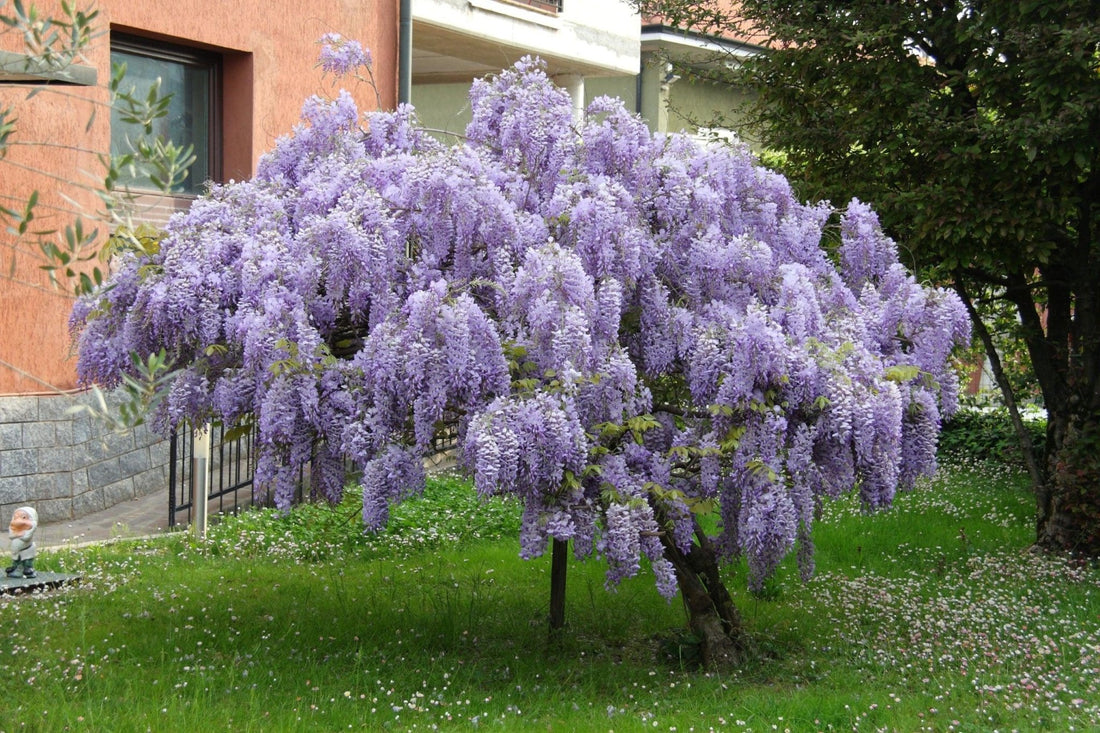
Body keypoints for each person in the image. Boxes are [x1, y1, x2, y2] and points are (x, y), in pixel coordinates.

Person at [6, 506, 37, 579]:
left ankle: (28, 569)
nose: (18, 521)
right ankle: (15, 568)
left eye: (23, 517)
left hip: (27, 549)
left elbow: (26, 538)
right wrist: (18, 534)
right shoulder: (14, 529)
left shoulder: (30, 529)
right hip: (16, 550)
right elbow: (11, 536)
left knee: (27, 560)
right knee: (16, 559)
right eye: (16, 518)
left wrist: (19, 534)